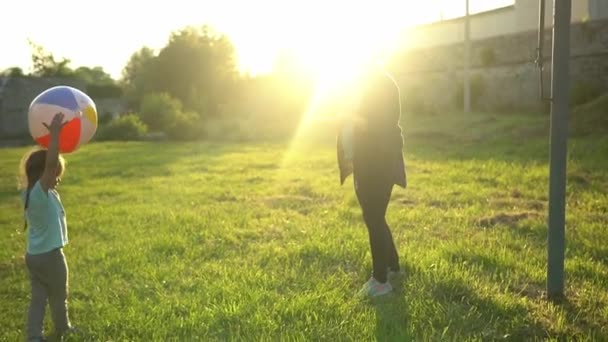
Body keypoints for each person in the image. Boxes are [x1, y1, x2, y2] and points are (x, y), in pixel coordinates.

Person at [337, 65, 406, 297]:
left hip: (376, 161)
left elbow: (373, 123)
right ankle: (393, 267)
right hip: (373, 160)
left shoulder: (376, 83)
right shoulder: (372, 81)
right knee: (375, 215)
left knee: (374, 217)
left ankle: (380, 281)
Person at [20, 112, 75, 341]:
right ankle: (63, 328)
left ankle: (34, 336)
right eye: (55, 174)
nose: (58, 178)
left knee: (39, 298)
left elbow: (50, 166)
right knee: (59, 295)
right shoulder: (41, 194)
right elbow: (50, 162)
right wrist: (55, 136)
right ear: (45, 172)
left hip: (34, 257)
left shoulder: (32, 193)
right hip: (51, 257)